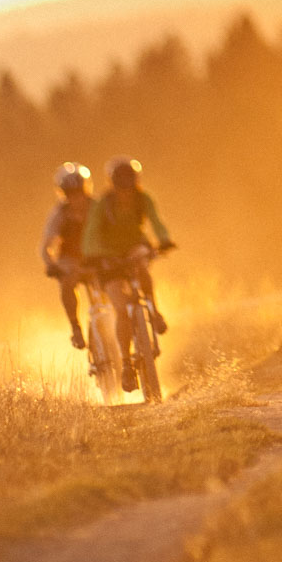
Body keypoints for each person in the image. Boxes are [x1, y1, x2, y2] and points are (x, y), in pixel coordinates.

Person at [81, 156, 175, 390]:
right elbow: (91, 234)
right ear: (113, 184)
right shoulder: (103, 204)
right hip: (109, 258)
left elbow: (156, 222)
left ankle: (154, 311)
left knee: (142, 263)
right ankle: (126, 364)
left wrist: (163, 240)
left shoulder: (143, 199)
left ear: (135, 182)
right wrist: (95, 255)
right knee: (121, 309)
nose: (126, 190)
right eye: (121, 184)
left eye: (129, 183)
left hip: (134, 248)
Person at [39, 162, 95, 349]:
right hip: (70, 260)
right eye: (70, 193)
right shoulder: (59, 213)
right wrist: (51, 264)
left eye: (79, 191)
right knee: (67, 284)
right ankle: (76, 328)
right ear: (63, 193)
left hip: (97, 258)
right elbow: (46, 245)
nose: (76, 197)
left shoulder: (98, 208)